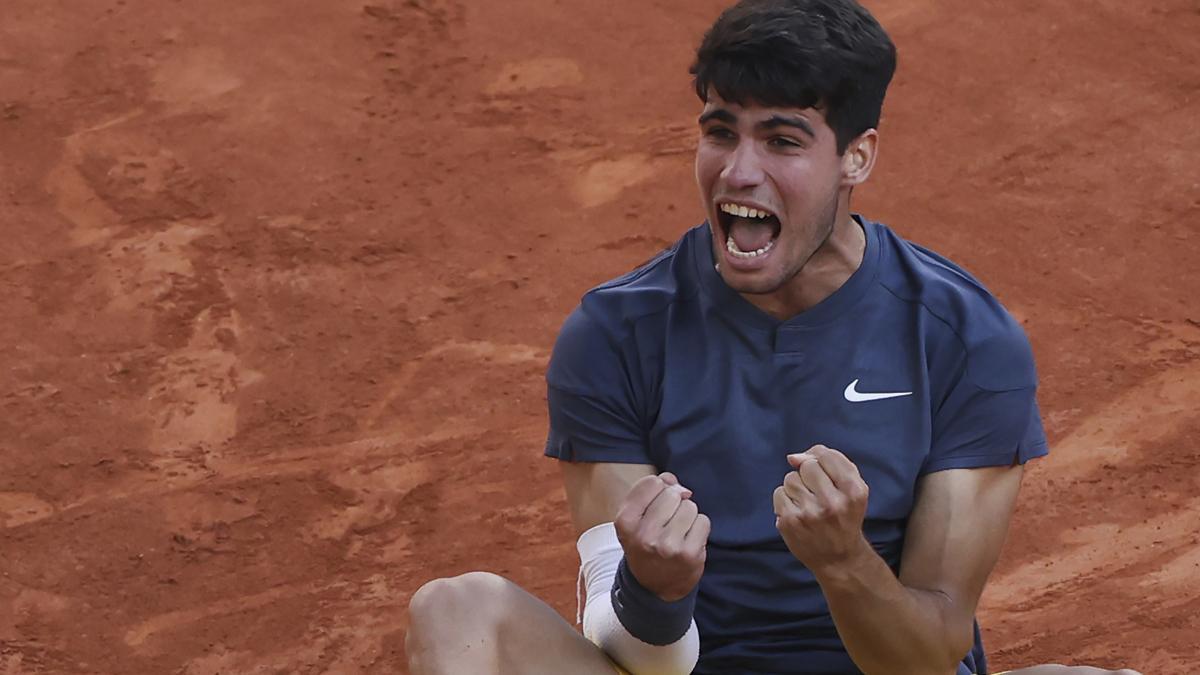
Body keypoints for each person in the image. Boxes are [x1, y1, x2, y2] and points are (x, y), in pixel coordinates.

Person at [405, 1, 1141, 673]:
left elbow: (927, 656)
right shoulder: (615, 332)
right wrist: (656, 590)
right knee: (458, 612)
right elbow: (636, 656)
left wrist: (843, 561)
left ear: (856, 157)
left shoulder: (963, 337)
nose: (739, 171)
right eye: (720, 131)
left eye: (782, 140)